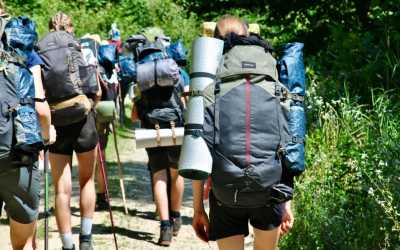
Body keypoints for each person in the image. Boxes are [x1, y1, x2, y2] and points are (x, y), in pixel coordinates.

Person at [191, 16, 295, 250]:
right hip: (271, 190)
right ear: (249, 37)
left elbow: (197, 152)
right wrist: (287, 203)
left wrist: (198, 209)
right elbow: (290, 147)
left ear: (216, 45)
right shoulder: (279, 88)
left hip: (225, 192)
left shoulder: (209, 92)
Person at [0, 2, 56, 249]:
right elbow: (41, 108)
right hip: (16, 152)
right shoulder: (19, 41)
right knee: (21, 232)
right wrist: (47, 134)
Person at [45, 12, 99, 250]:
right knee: (87, 180)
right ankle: (86, 239)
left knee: (61, 189)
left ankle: (67, 245)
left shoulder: (41, 53)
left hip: (56, 123)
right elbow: (95, 90)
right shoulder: (82, 49)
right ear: (71, 28)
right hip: (83, 120)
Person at [131, 36, 185, 246]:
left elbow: (135, 115)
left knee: (159, 177)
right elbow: (184, 102)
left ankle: (164, 228)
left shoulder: (141, 80)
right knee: (176, 173)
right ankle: (176, 216)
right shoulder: (176, 75)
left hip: (151, 130)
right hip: (175, 130)